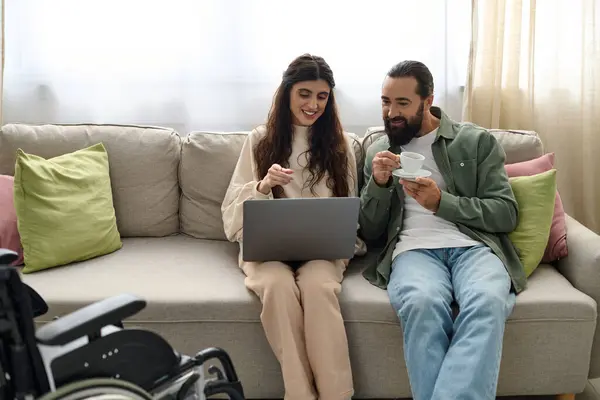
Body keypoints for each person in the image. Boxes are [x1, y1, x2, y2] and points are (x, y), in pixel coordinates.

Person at [358, 60, 526, 400]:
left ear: (428, 99)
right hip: (413, 251)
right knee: (421, 303)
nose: (392, 112)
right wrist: (377, 183)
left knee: (487, 301)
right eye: (386, 102)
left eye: (403, 103)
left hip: (474, 247)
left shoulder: (476, 142)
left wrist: (442, 203)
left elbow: (506, 213)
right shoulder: (378, 151)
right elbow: (371, 232)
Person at [221, 53, 364, 400]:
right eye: (304, 94)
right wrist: (263, 186)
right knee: (277, 288)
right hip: (267, 249)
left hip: (322, 250)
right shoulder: (259, 140)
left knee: (318, 288)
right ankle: (300, 394)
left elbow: (350, 209)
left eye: (322, 96)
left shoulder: (340, 144)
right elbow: (230, 217)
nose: (313, 104)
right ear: (287, 93)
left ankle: (335, 395)